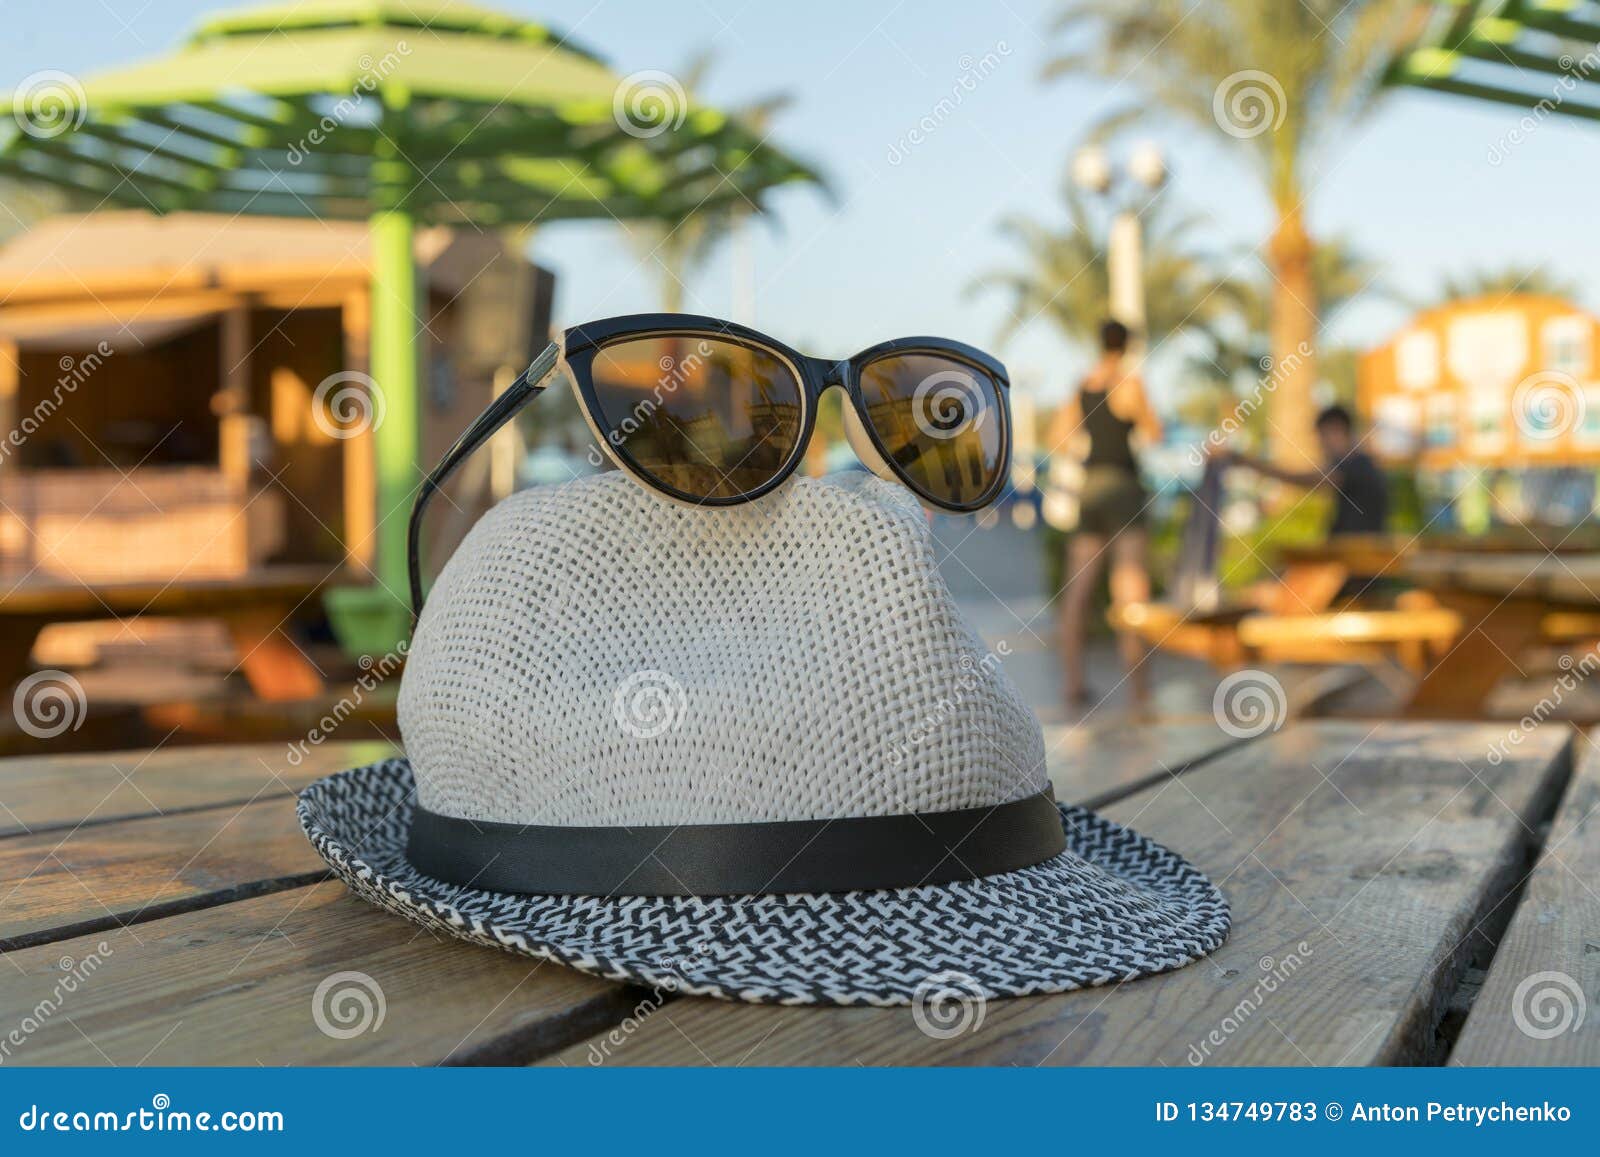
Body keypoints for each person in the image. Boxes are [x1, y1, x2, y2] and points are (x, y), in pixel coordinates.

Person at [1048, 318, 1163, 711]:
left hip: (1089, 487)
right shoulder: (1129, 383)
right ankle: (1139, 689)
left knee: (1077, 590)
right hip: (1123, 484)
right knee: (1130, 587)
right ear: (1127, 345)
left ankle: (1072, 683)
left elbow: (1058, 439)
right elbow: (1154, 432)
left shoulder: (1083, 386)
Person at [1221, 404, 1389, 538]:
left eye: (1322, 437)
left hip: (1355, 560)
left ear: (1337, 430)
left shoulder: (1357, 464)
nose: (1321, 446)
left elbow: (1306, 480)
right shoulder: (1359, 463)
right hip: (1348, 553)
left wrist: (1248, 462)